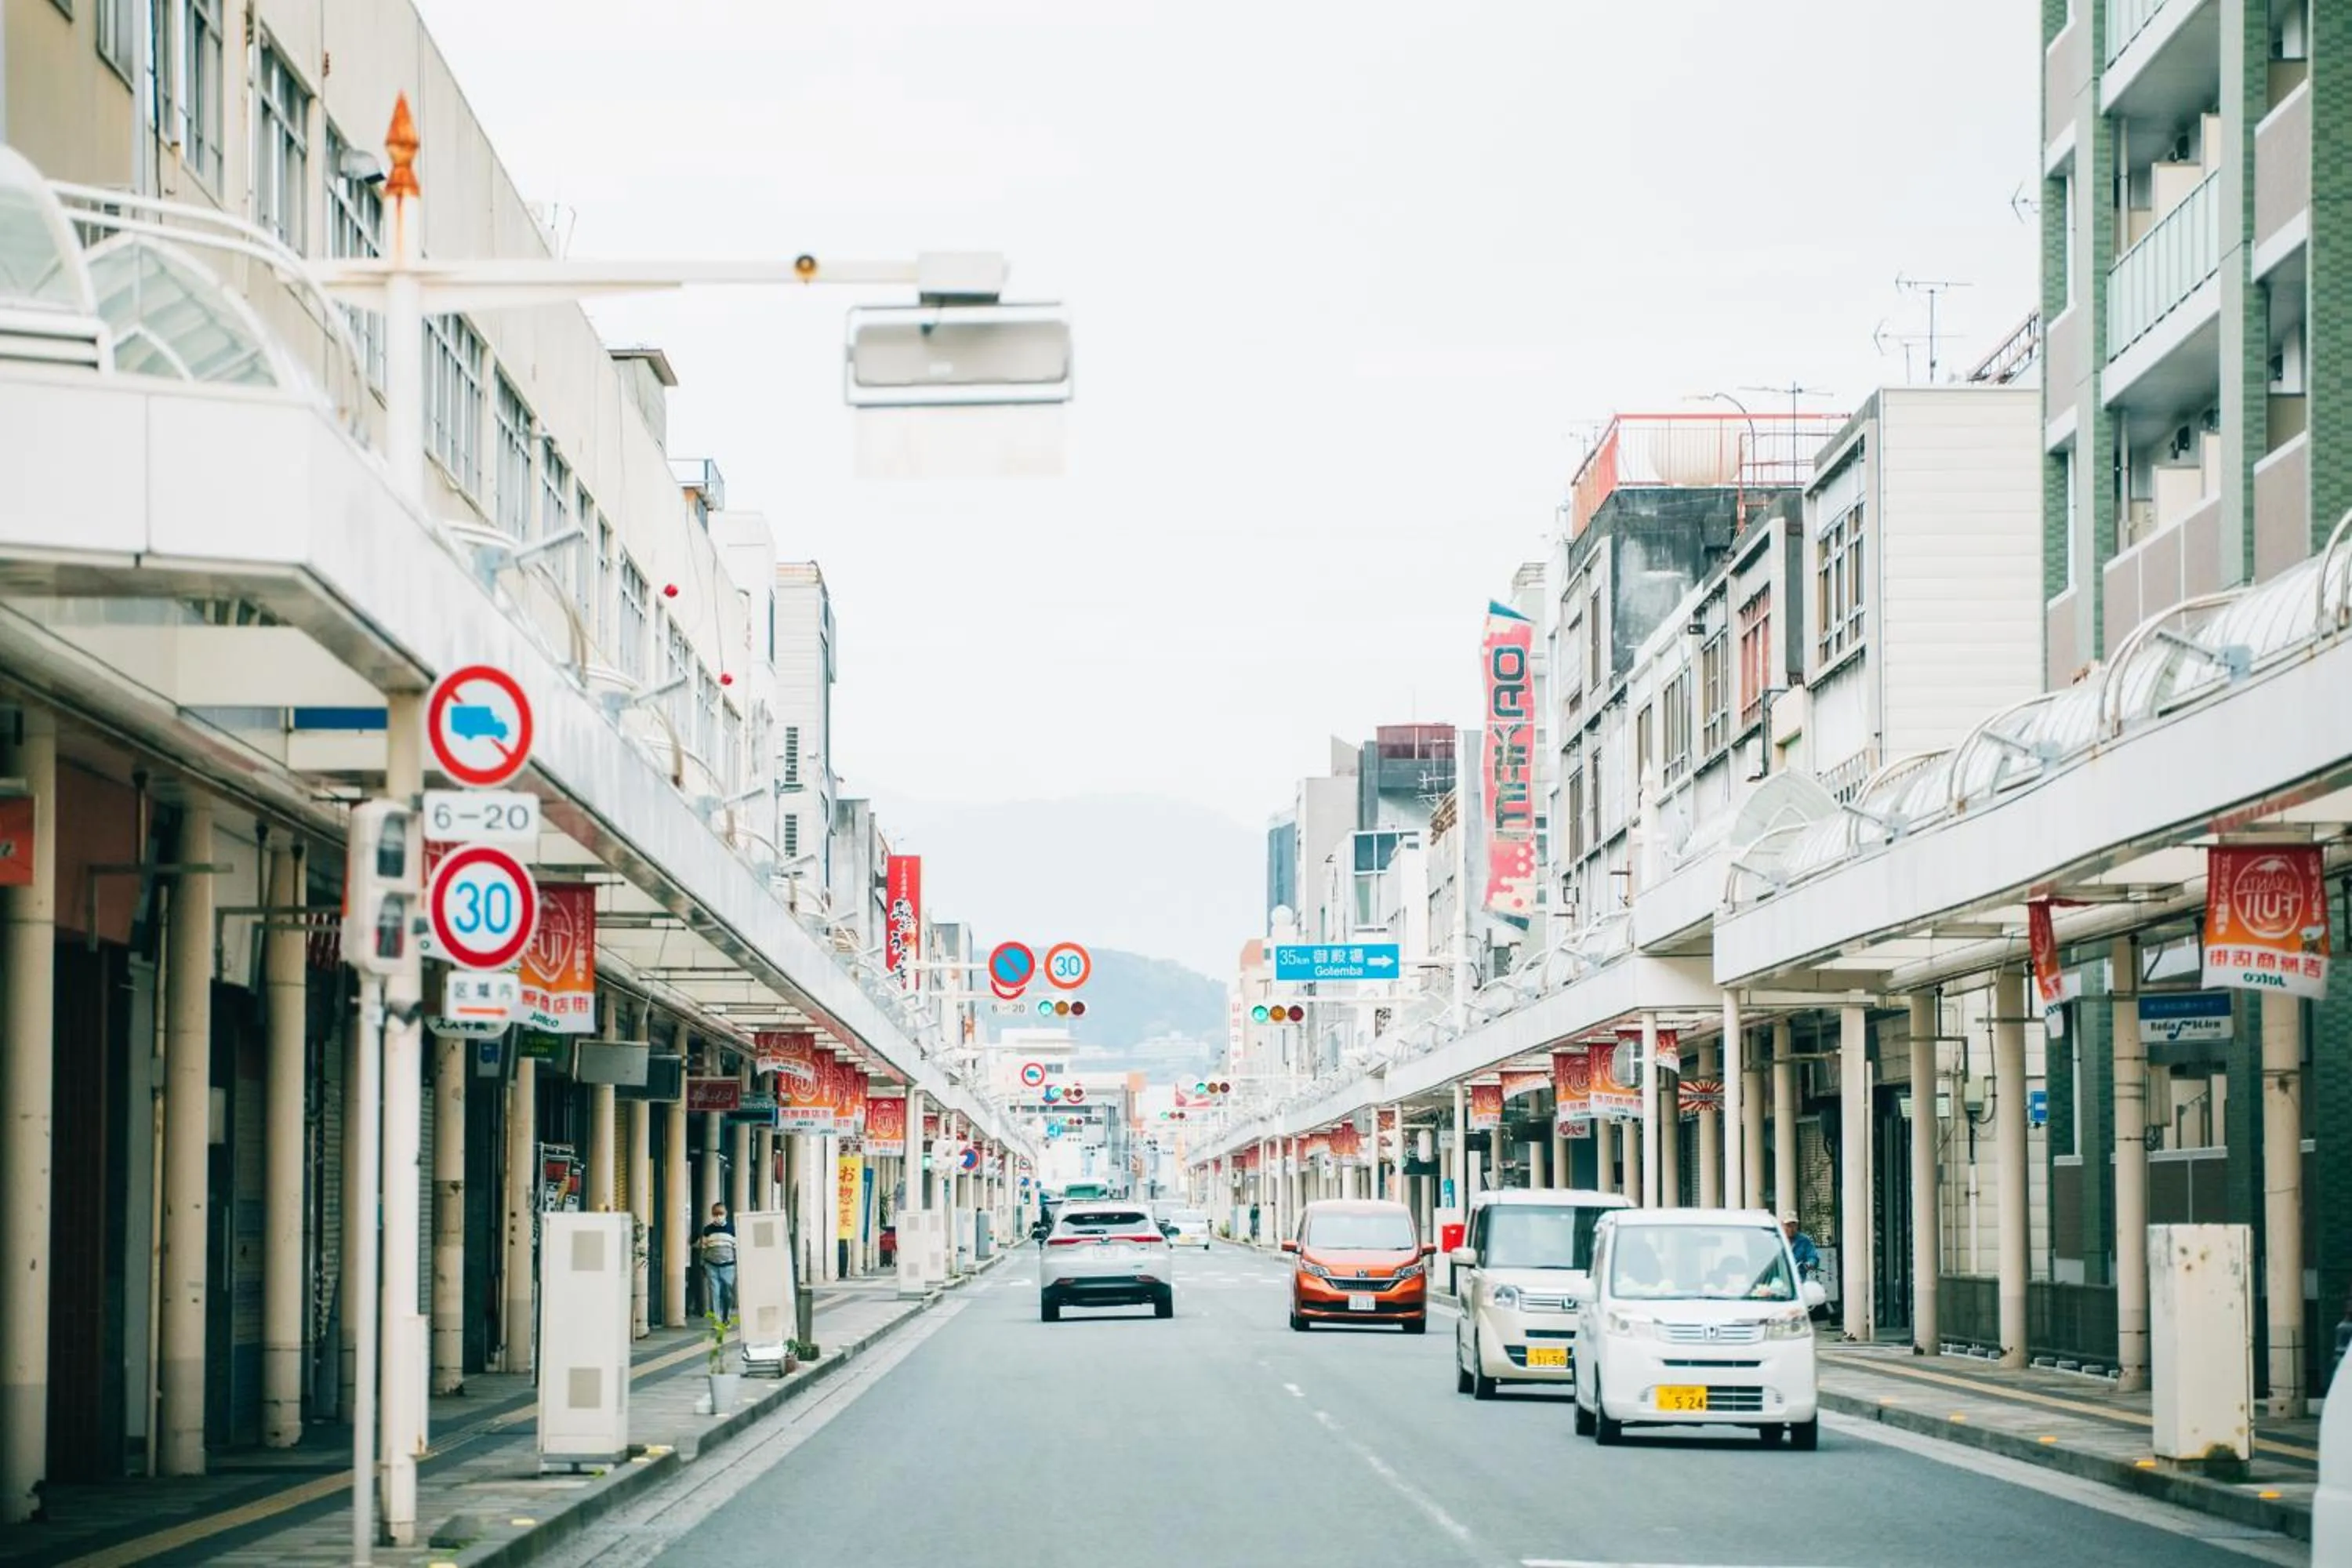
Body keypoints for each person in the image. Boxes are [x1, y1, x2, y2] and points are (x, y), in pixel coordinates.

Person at [699, 1203, 738, 1322]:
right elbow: (704, 1247)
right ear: (712, 1215)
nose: (718, 1216)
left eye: (721, 1214)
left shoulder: (732, 1229)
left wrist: (737, 1262)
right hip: (712, 1265)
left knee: (727, 1294)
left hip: (728, 1266)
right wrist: (702, 1263)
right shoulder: (708, 1230)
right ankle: (717, 1320)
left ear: (726, 1214)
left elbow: (736, 1247)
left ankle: (726, 1317)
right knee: (714, 1293)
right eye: (716, 1214)